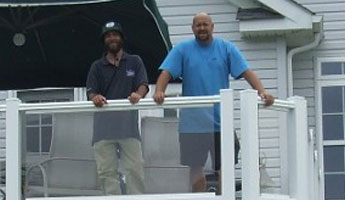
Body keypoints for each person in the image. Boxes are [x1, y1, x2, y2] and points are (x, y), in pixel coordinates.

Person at [153, 12, 274, 193]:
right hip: (192, 124)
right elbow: (166, 73)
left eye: (205, 24)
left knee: (224, 166)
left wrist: (263, 92)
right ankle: (199, 198)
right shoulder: (183, 49)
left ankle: (224, 196)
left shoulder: (226, 48)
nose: (202, 28)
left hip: (220, 122)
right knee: (195, 167)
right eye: (198, 25)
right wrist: (159, 92)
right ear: (192, 28)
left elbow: (246, 72)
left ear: (212, 27)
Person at [86, 20, 148, 195]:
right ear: (104, 40)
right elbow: (91, 92)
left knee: (135, 171)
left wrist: (138, 94)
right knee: (107, 174)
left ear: (121, 38)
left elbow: (143, 84)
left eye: (115, 34)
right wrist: (95, 97)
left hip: (128, 128)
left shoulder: (134, 61)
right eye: (108, 35)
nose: (111, 38)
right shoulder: (96, 66)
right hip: (103, 130)